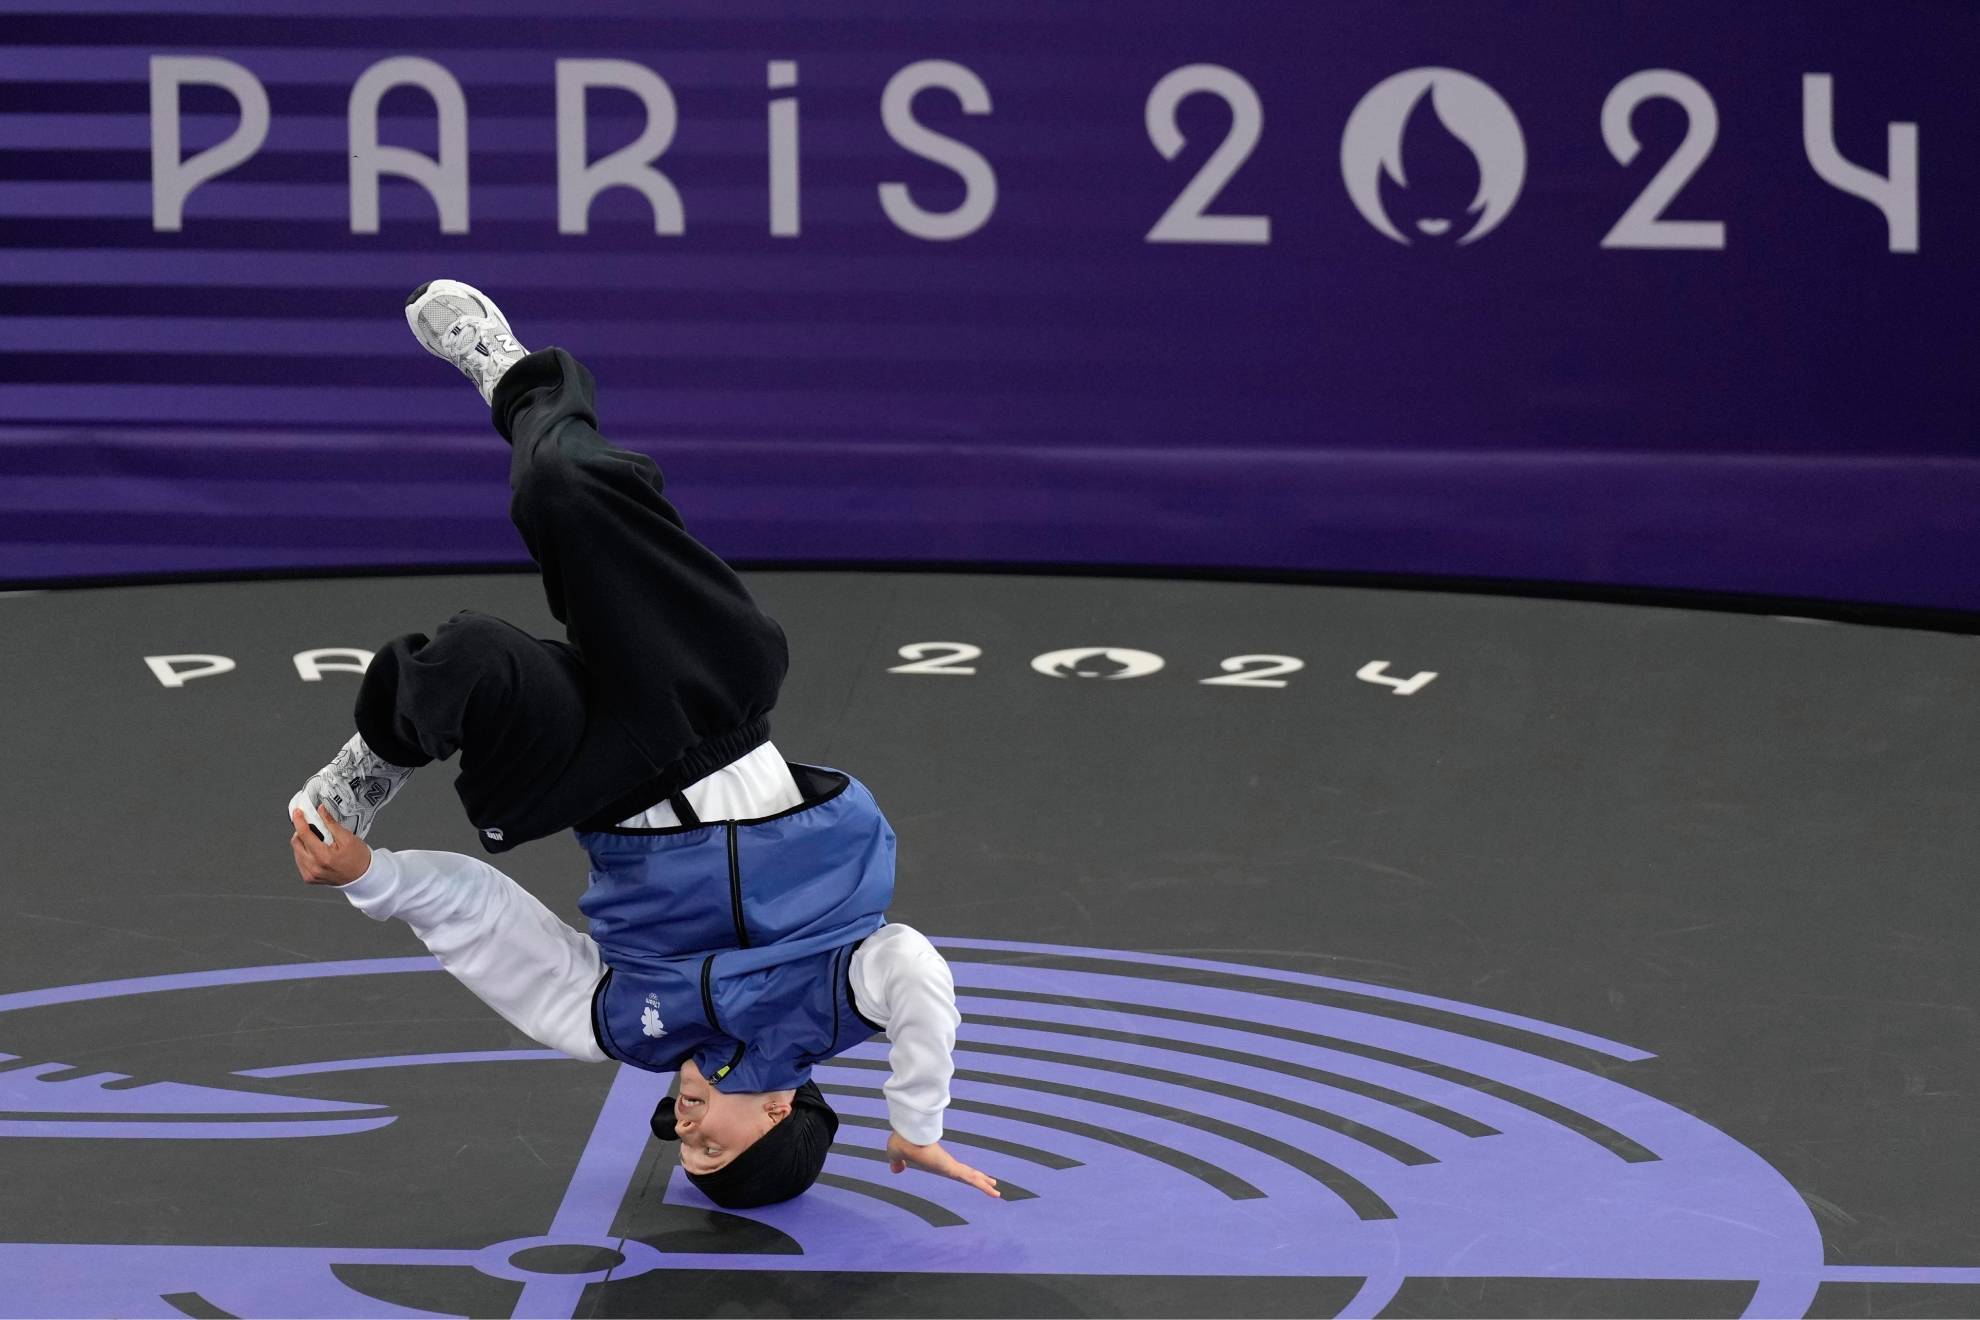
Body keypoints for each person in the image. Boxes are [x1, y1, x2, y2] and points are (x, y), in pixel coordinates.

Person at [286, 280, 999, 1210]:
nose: (683, 1128)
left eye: (683, 1148)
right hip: (712, 706)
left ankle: (376, 760)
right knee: (569, 488)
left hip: (599, 779)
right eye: (712, 1149)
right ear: (782, 1111)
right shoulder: (829, 1009)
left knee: (470, 658)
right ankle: (512, 378)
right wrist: (916, 1120)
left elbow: (489, 925)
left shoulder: (620, 1026)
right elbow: (916, 971)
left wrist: (373, 881)